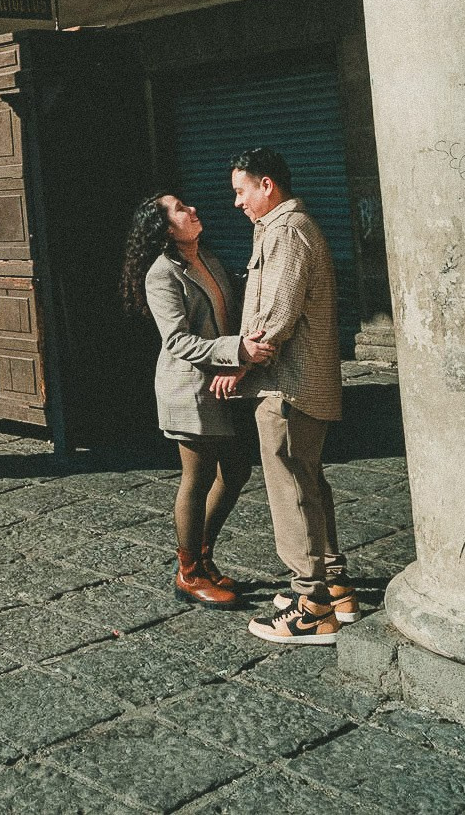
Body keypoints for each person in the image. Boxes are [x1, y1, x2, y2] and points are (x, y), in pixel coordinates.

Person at [216, 148, 353, 645]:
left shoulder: (287, 232)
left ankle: (311, 604)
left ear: (267, 185)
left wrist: (239, 365)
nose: (237, 203)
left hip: (287, 385)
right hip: (294, 382)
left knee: (291, 488)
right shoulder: (280, 229)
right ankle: (334, 584)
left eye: (241, 191)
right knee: (308, 481)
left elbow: (276, 314)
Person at [122, 190, 275, 609]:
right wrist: (237, 351)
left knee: (237, 470)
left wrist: (239, 357)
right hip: (187, 387)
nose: (192, 210)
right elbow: (176, 341)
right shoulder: (161, 272)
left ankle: (202, 558)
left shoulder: (206, 257)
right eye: (179, 210)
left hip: (222, 382)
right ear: (164, 228)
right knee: (199, 476)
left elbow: (230, 314)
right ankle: (189, 573)